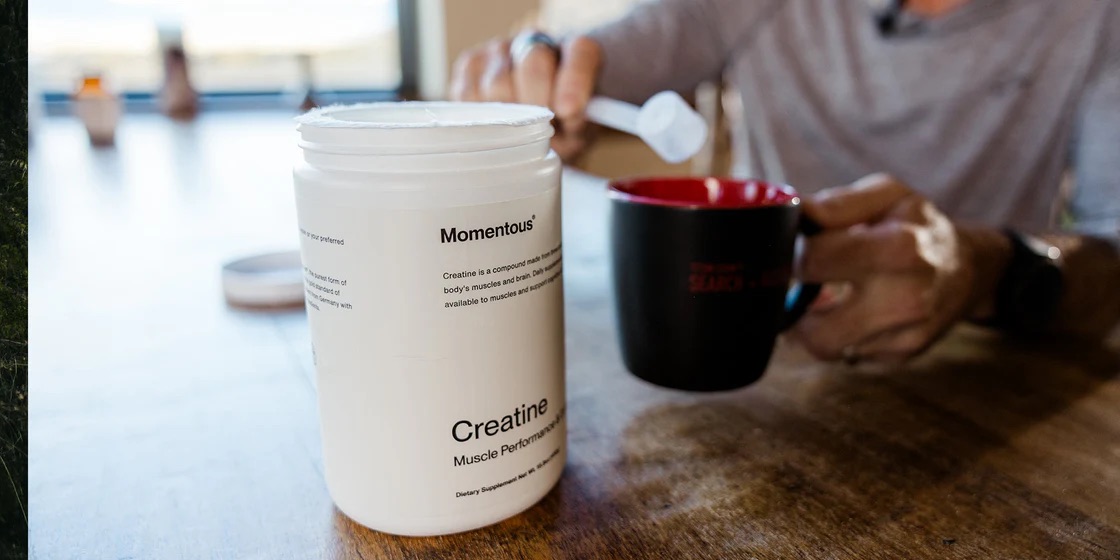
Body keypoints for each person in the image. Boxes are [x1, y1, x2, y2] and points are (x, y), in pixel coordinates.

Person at [450, 0, 1120, 364]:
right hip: (759, 375)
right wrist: (537, 72)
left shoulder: (1097, 20)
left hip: (986, 374)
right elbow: (605, 62)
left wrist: (987, 269)